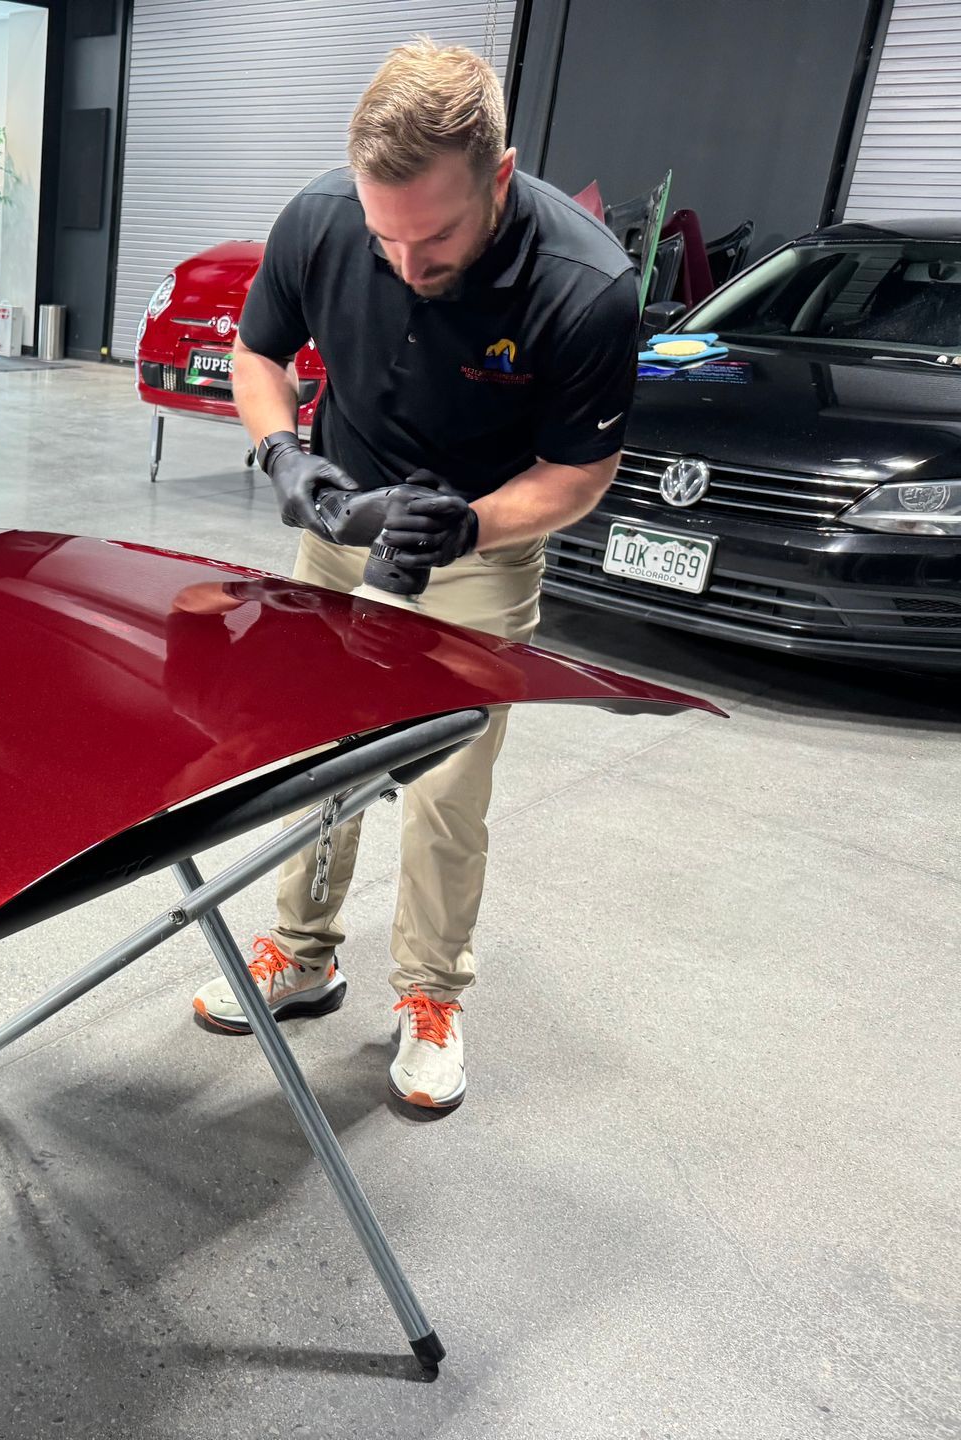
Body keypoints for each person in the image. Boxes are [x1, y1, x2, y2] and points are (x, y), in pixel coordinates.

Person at [187, 38, 640, 1112]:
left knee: (444, 784)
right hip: (341, 523)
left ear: (498, 173)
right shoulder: (321, 218)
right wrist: (286, 458)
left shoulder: (585, 286)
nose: (405, 264)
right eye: (384, 235)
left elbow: (581, 472)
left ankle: (432, 993)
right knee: (318, 752)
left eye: (433, 237)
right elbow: (261, 355)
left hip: (479, 546)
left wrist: (468, 524)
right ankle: (302, 956)